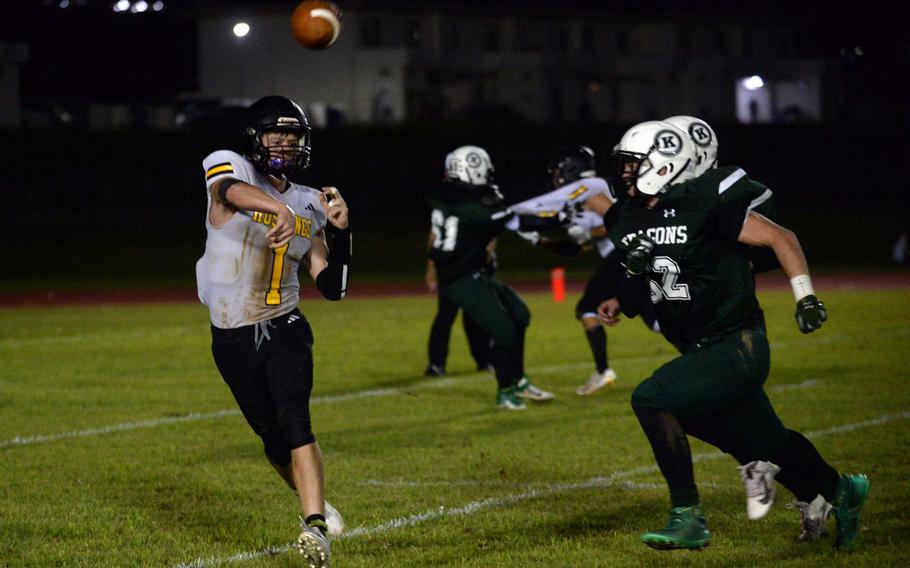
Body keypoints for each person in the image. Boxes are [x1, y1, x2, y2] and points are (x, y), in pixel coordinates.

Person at [601, 120, 869, 551]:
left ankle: (687, 516)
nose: (625, 172)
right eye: (625, 164)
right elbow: (648, 283)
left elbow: (781, 237)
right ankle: (841, 490)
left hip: (735, 343)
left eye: (634, 164)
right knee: (767, 441)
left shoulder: (705, 202)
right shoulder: (626, 216)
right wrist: (627, 282)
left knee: (653, 398)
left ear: (665, 166)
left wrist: (805, 296)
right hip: (697, 346)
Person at [195, 95, 351, 567]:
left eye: (294, 135)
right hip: (230, 336)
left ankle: (315, 526)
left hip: (284, 324)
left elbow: (333, 286)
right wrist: (274, 208)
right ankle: (317, 501)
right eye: (275, 133)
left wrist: (341, 231)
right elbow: (227, 191)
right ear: (255, 139)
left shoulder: (310, 201)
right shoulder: (230, 166)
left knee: (293, 419)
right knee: (270, 438)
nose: (285, 142)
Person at [510, 145, 657, 395]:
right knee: (656, 318)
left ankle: (602, 371)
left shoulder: (590, 190)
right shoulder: (584, 196)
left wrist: (589, 232)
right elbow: (574, 248)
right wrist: (538, 240)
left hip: (624, 255)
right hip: (626, 256)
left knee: (588, 307)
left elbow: (621, 223)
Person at [428, 145, 561, 409]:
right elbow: (514, 221)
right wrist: (559, 217)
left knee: (519, 315)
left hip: (469, 271)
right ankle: (506, 391)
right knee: (503, 330)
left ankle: (519, 380)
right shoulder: (474, 201)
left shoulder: (454, 195)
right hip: (460, 277)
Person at [423, 233, 493, 377]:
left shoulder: (478, 211)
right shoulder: (445, 211)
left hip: (474, 267)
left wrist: (484, 259)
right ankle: (436, 364)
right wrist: (431, 267)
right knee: (445, 315)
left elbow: (491, 235)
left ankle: (485, 361)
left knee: (475, 317)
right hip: (450, 267)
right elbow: (435, 236)